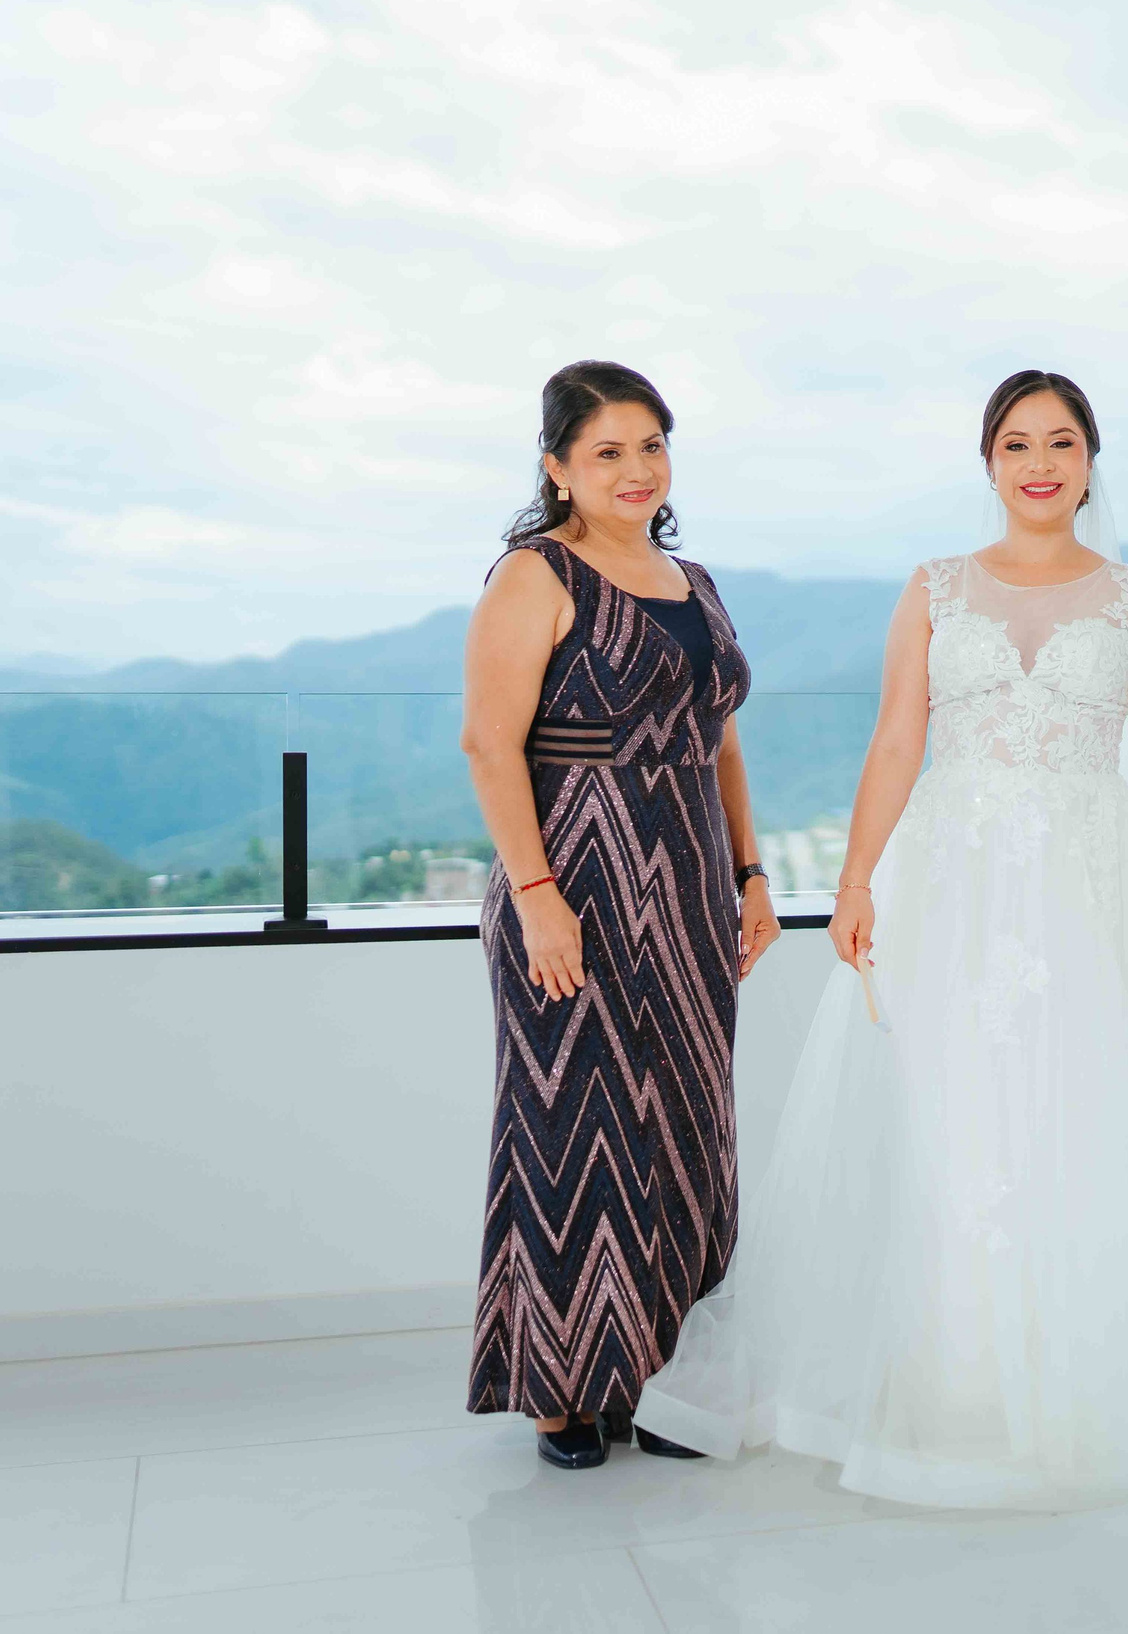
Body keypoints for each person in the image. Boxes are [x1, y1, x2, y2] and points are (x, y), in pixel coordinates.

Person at [635, 370, 1128, 1507]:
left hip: (1087, 884)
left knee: (1074, 1109)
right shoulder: (935, 589)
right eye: (1016, 442)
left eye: (1060, 441)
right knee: (950, 1113)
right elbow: (899, 737)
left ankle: (1067, 1371)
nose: (1039, 461)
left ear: (1091, 459)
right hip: (950, 878)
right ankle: (953, 1374)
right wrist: (854, 877)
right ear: (989, 462)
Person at [460, 360, 781, 1469]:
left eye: (652, 445)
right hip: (578, 885)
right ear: (557, 467)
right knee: (573, 1128)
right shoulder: (533, 575)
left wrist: (749, 875)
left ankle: (663, 1382)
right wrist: (540, 900)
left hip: (689, 886)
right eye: (608, 450)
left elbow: (720, 737)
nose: (637, 468)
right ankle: (562, 1391)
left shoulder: (692, 579)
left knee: (688, 1126)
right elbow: (489, 747)